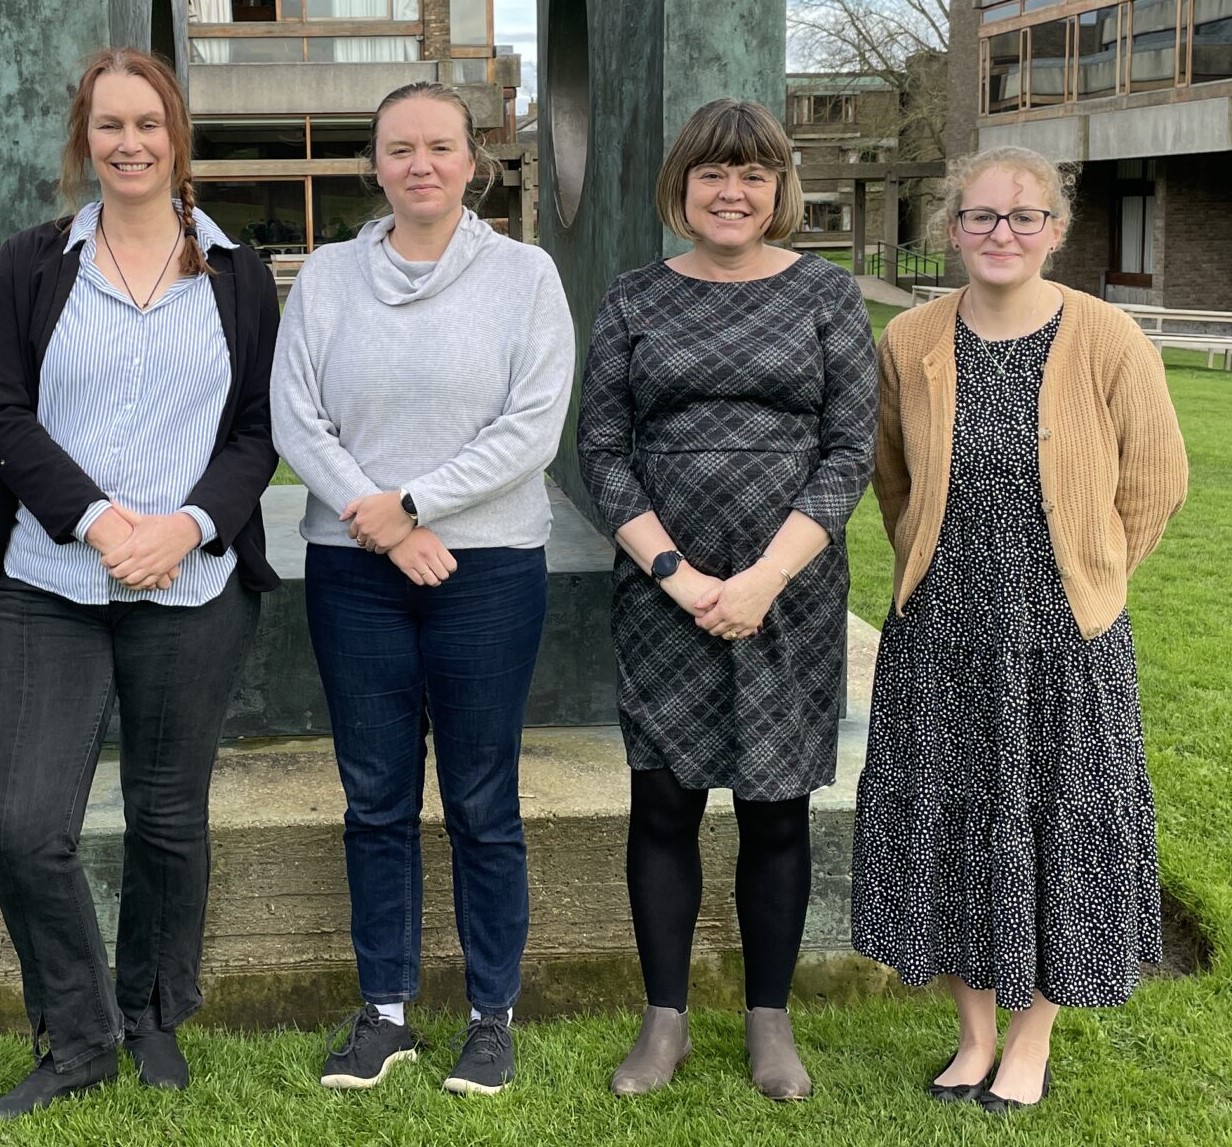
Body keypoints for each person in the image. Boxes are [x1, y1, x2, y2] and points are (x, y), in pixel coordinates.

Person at [851, 146, 1188, 1112]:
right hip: (941, 630)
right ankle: (972, 1036)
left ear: (1055, 229)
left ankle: (1031, 1041)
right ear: (951, 229)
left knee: (1057, 829)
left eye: (1023, 217)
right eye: (983, 217)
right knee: (949, 820)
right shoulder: (910, 338)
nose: (1003, 234)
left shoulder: (1108, 336)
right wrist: (931, 555)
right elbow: (894, 476)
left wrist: (1093, 573)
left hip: (1065, 639)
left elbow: (1156, 480)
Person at [270, 81, 574, 1097]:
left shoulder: (525, 275)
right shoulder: (325, 277)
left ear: (472, 159)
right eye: (398, 149)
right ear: (374, 164)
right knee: (376, 798)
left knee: (483, 800)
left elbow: (531, 427)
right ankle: (385, 1010)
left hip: (485, 569)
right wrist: (377, 519)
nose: (419, 165)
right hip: (354, 572)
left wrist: (409, 504)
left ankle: (491, 1014)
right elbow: (296, 419)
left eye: (439, 146)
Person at [577, 99, 877, 1101]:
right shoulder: (631, 299)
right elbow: (602, 452)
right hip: (662, 593)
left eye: (753, 173)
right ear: (682, 187)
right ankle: (663, 1020)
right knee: (661, 802)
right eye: (712, 173)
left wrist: (757, 580)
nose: (731, 191)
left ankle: (768, 1021)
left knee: (775, 806)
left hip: (785, 591)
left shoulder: (826, 296)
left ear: (779, 189)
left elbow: (847, 452)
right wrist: (679, 575)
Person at [0, 48, 280, 1118]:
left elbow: (259, 433)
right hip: (47, 579)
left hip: (192, 585)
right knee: (24, 826)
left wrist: (190, 523)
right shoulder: (30, 266)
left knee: (169, 818)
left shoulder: (236, 273)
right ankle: (76, 1037)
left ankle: (153, 1010)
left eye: (147, 125)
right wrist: (100, 520)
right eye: (109, 126)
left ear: (177, 137)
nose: (130, 144)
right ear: (85, 139)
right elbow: (6, 414)